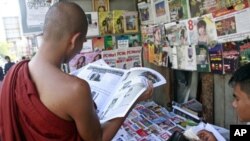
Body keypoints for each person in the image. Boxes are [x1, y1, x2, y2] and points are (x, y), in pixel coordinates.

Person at [0, 2, 154, 141]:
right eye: (83, 41)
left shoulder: (14, 72)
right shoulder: (75, 89)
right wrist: (132, 100)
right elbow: (98, 138)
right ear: (74, 40)